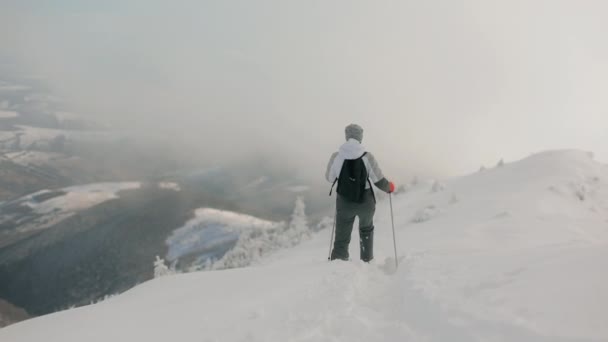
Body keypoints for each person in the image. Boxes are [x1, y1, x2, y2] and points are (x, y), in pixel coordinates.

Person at [326, 124, 395, 262]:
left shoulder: (336, 156)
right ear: (360, 137)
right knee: (366, 229)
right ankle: (367, 259)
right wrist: (389, 187)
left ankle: (339, 261)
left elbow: (329, 178)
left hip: (344, 203)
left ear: (347, 136)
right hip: (366, 202)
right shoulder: (367, 156)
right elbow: (378, 180)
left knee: (342, 234)